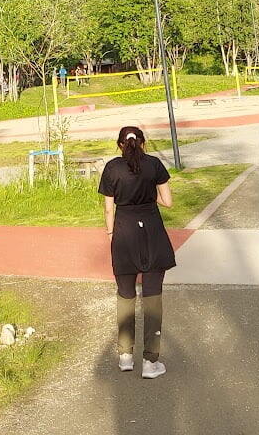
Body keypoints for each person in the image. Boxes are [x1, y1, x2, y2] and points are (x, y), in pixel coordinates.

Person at [98, 125, 175, 379]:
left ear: (120, 144)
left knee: (126, 295)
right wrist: (149, 192)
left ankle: (125, 356)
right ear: (143, 142)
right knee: (153, 298)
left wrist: (111, 235)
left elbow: (109, 210)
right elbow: (167, 201)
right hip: (152, 232)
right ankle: (151, 362)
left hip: (124, 234)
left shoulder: (112, 168)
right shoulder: (154, 165)